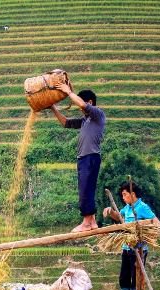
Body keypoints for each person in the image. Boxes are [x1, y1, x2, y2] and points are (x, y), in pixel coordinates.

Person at [50, 83, 106, 233]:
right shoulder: (85, 121)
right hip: (85, 158)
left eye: (82, 104)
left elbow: (80, 103)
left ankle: (86, 222)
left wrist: (68, 92)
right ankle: (91, 221)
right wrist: (53, 108)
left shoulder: (97, 114)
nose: (79, 107)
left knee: (85, 190)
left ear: (90, 103)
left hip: (90, 157)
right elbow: (65, 123)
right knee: (87, 189)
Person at [103, 181, 160, 290]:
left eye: (125, 194)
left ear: (132, 194)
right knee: (124, 278)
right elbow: (119, 217)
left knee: (136, 279)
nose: (123, 197)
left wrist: (146, 235)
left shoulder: (142, 207)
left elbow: (157, 223)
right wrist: (111, 211)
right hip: (126, 248)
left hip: (139, 250)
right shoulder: (127, 208)